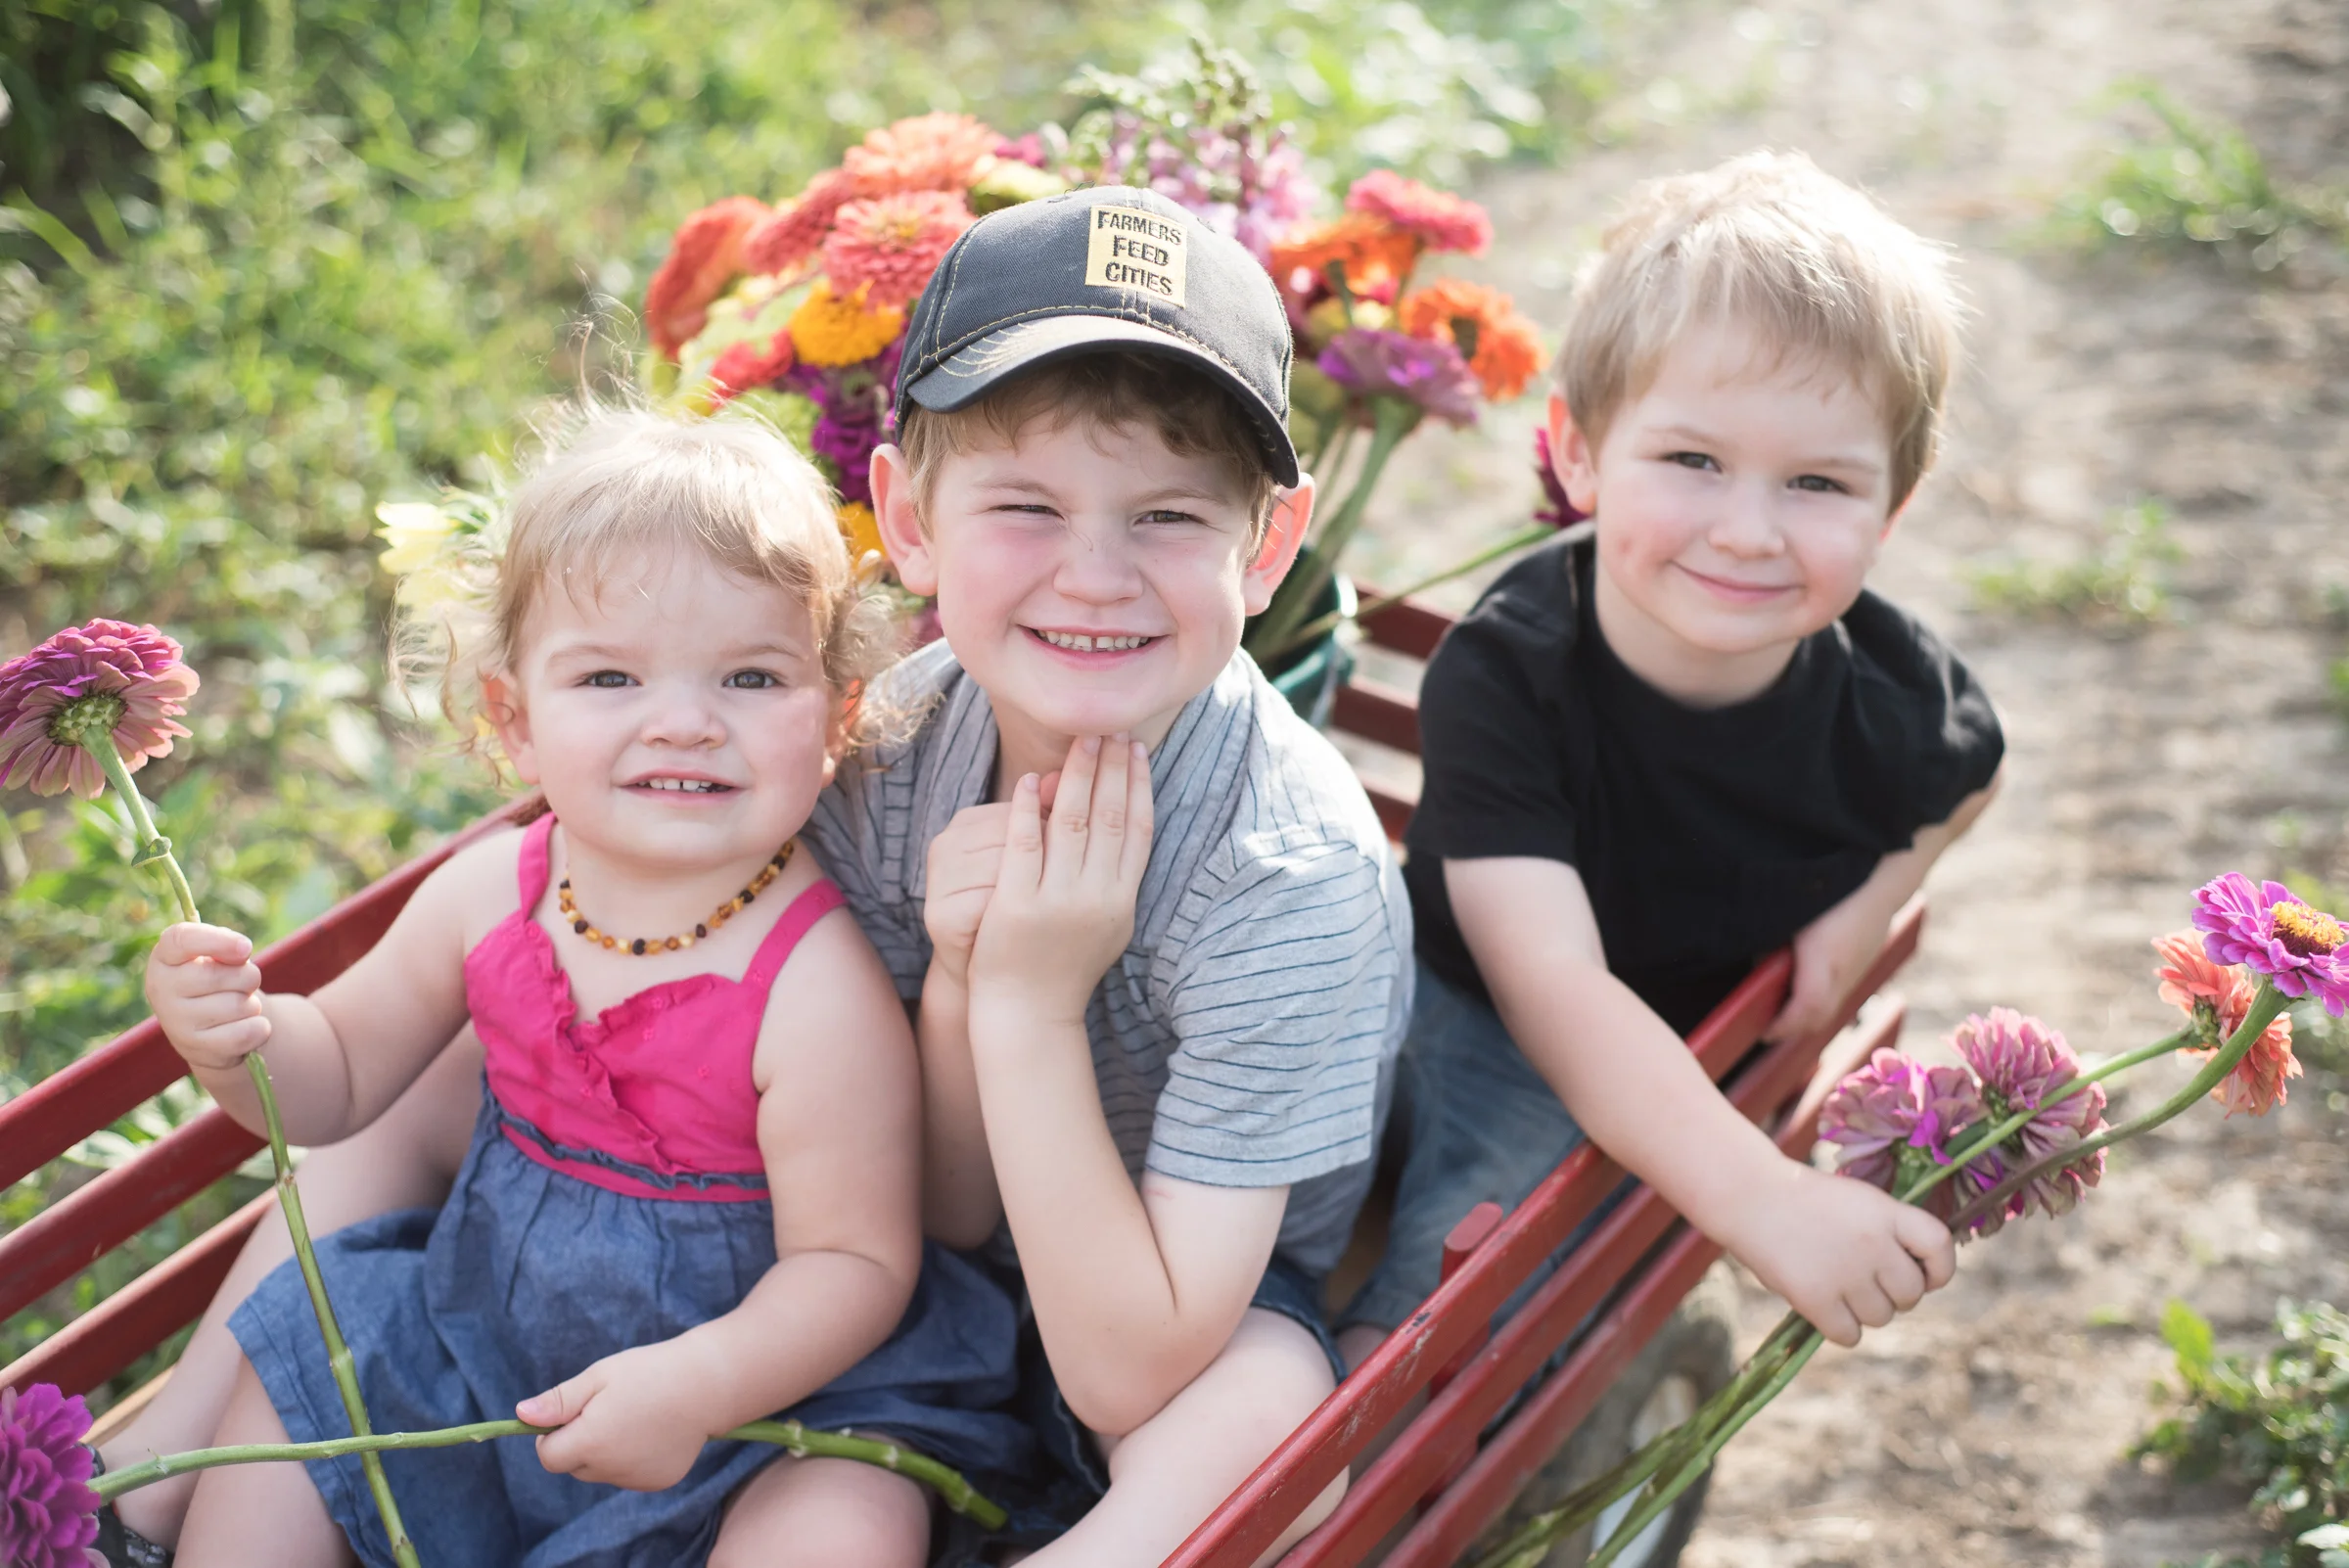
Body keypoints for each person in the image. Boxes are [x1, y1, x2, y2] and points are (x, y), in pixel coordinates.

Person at [134, 407, 1027, 1568]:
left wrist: (697, 1385)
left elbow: (852, 1268)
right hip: (479, 1345)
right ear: (513, 719)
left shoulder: (811, 988)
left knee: (840, 1532)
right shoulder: (487, 893)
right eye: (609, 675)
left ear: (836, 716)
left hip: (762, 1408)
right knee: (294, 1418)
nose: (686, 723)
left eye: (752, 677)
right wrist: (235, 1042)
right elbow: (337, 1082)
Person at [1336, 150, 2005, 1365]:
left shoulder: (1893, 691)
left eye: (1817, 482)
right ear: (1580, 455)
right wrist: (1767, 1200)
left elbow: (1969, 776)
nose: (1746, 531)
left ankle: (1356, 1458)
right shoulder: (1509, 672)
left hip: (1577, 1074)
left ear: (1892, 511)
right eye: (1692, 461)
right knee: (1260, 1194)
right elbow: (1555, 989)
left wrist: (1868, 906)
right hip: (1452, 989)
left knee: (1461, 1304)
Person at [824, 184, 1411, 1565]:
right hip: (940, 1265)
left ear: (1266, 544)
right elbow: (950, 1216)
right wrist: (965, 985)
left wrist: (1026, 1001)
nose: (1094, 576)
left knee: (1268, 1414)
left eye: (1166, 517)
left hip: (1196, 1291)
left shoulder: (1286, 875)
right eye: (1025, 504)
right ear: (906, 516)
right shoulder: (892, 757)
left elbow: (1128, 1370)